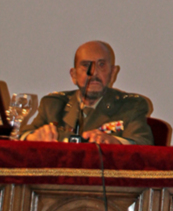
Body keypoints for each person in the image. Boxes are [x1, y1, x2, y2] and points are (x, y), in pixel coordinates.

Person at [20, 40, 154, 145]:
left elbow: (143, 142)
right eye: (86, 65)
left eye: (101, 65)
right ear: (73, 75)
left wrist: (116, 142)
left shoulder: (131, 106)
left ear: (112, 73)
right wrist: (33, 136)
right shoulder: (53, 105)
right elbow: (21, 135)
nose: (94, 72)